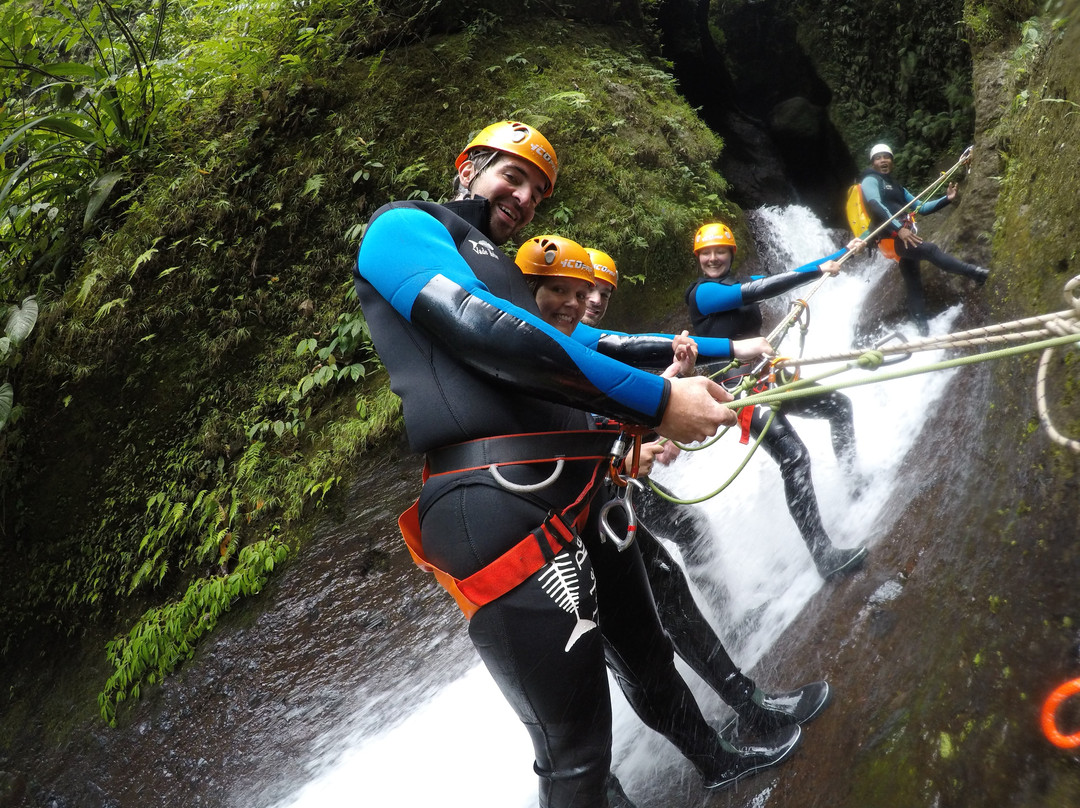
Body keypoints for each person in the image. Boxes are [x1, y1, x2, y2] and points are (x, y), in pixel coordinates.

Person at [353, 121, 797, 808]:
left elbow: (586, 346)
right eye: (513, 176)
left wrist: (692, 380)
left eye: (537, 190)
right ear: (467, 166)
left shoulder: (506, 271)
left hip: (579, 493)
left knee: (648, 657)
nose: (524, 196)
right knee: (576, 751)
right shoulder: (403, 227)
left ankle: (718, 763)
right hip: (496, 501)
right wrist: (659, 401)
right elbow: (483, 330)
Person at [580, 246, 832, 740]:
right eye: (584, 289)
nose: (592, 300)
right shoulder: (547, 343)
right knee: (649, 606)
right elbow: (571, 421)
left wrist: (661, 412)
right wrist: (733, 348)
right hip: (586, 497)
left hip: (608, 484)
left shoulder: (574, 341)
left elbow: (622, 384)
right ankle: (716, 737)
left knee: (688, 537)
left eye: (603, 293)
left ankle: (732, 663)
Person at [685, 222, 868, 579]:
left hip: (768, 375)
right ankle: (823, 555)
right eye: (706, 253)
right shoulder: (702, 294)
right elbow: (758, 290)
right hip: (739, 391)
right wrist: (818, 270)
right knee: (794, 456)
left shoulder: (738, 282)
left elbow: (787, 274)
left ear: (731, 253)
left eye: (719, 251)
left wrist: (842, 252)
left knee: (838, 407)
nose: (712, 258)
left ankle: (855, 483)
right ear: (698, 258)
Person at [860, 143, 989, 335]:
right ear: (873, 162)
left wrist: (947, 199)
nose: (883, 160)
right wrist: (899, 229)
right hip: (892, 237)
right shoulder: (870, 180)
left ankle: (920, 327)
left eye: (886, 157)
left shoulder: (897, 187)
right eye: (878, 158)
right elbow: (876, 205)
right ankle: (976, 274)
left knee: (912, 278)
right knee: (930, 250)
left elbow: (922, 207)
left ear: (892, 161)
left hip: (901, 236)